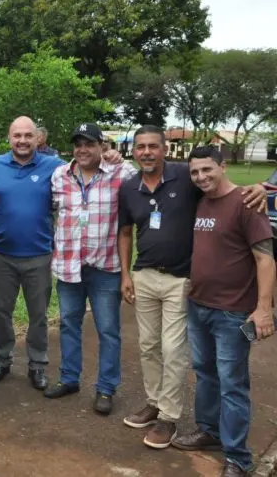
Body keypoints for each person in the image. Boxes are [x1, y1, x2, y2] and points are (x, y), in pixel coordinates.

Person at [118, 127, 266, 449]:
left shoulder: (185, 176)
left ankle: (168, 418)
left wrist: (258, 188)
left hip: (181, 279)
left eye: (152, 146)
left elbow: (222, 188)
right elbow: (125, 231)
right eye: (140, 147)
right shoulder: (129, 187)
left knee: (173, 350)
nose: (146, 152)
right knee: (148, 346)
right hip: (144, 276)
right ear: (133, 151)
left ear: (164, 148)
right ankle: (154, 401)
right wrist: (126, 275)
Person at [171, 146, 275, 477]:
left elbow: (265, 259)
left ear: (223, 166)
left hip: (232, 311)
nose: (201, 177)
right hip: (199, 304)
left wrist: (263, 309)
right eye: (195, 172)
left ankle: (238, 458)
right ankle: (209, 431)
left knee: (232, 382)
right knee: (204, 373)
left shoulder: (247, 202)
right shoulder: (200, 199)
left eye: (207, 170)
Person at [43, 123, 136, 416]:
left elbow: (150, 178)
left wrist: (121, 157)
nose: (82, 150)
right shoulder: (59, 175)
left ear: (102, 146)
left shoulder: (122, 174)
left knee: (108, 330)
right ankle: (70, 378)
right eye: (78, 144)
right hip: (69, 265)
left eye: (89, 144)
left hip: (105, 267)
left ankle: (106, 388)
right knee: (69, 324)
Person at [0, 116, 64, 390]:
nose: (22, 141)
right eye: (17, 135)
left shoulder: (53, 166)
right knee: (2, 312)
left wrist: (111, 156)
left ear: (37, 138)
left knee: (38, 315)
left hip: (39, 255)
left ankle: (38, 365)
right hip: (2, 254)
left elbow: (84, 169)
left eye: (28, 135)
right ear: (9, 138)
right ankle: (2, 360)